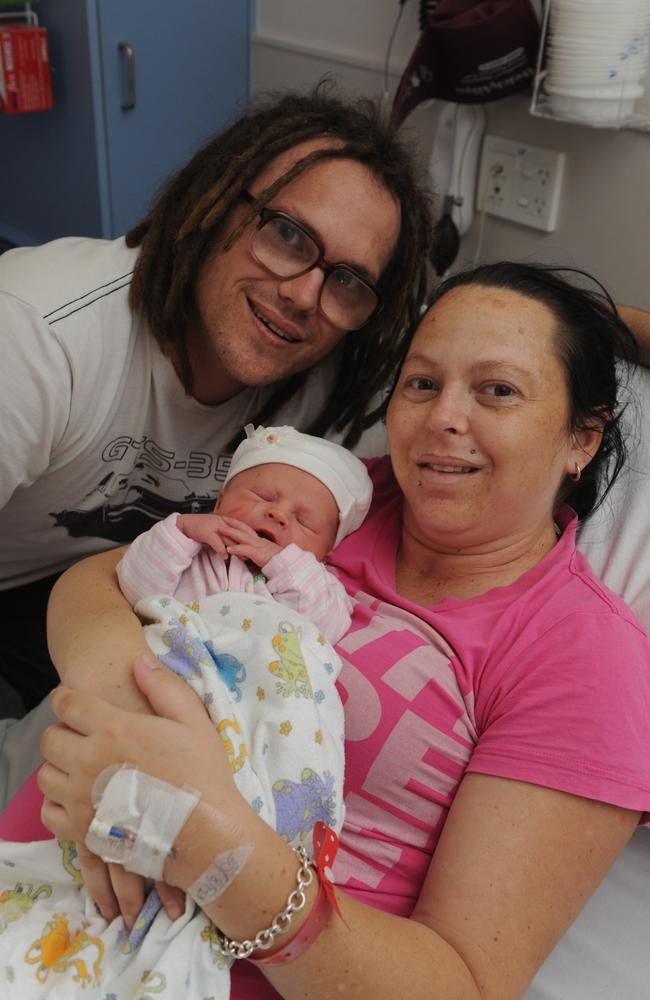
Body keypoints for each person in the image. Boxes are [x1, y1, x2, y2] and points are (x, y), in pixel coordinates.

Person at [32, 261, 650, 1000]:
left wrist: (212, 848)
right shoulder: (336, 502)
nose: (443, 417)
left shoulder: (585, 657)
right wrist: (128, 726)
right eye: (422, 383)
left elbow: (462, 983)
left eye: (498, 390)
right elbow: (95, 583)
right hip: (53, 883)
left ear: (582, 438)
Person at [0, 81, 432, 714]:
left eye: (346, 279)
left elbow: (503, 328)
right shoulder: (38, 333)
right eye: (287, 235)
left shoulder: (338, 365)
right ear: (215, 202)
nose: (304, 295)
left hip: (142, 600)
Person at [0, 425, 373, 997]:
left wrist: (283, 565)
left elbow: (326, 625)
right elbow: (134, 583)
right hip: (179, 679)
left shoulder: (310, 582)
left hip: (256, 705)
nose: (277, 518)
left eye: (303, 521)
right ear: (221, 500)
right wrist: (181, 532)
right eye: (264, 496)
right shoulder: (188, 550)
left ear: (326, 550)